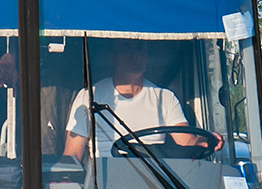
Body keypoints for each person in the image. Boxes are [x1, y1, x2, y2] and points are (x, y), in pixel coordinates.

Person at [62, 37, 216, 163]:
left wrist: (202, 142)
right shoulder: (89, 96)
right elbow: (73, 154)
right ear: (112, 57)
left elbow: (186, 142)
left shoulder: (165, 98)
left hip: (159, 183)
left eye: (140, 47)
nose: (134, 54)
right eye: (126, 48)